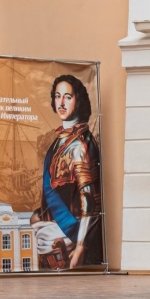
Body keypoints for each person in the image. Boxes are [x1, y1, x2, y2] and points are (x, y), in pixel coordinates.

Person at [36, 75, 103, 269]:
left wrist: (80, 247)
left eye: (67, 97)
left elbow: (90, 201)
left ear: (78, 100)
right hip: (53, 236)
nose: (61, 103)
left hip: (71, 236)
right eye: (58, 96)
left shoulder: (80, 145)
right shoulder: (59, 141)